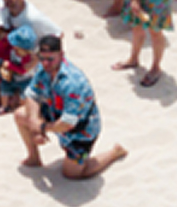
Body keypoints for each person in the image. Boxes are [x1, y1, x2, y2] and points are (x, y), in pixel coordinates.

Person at [16, 32, 126, 180]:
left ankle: (114, 152)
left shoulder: (73, 83)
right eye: (42, 58)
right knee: (21, 114)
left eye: (50, 59)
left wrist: (41, 127)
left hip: (80, 130)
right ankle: (34, 157)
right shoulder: (44, 68)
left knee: (72, 174)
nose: (46, 63)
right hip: (55, 113)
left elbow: (67, 124)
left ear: (61, 55)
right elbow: (32, 95)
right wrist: (34, 123)